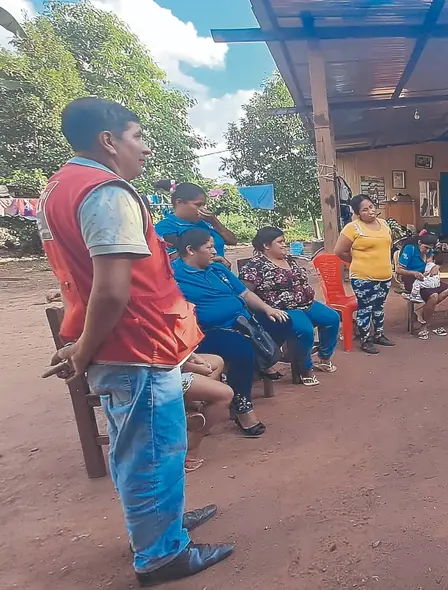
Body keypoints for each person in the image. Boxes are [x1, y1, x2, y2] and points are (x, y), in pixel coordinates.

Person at [38, 97, 232, 585]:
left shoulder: (59, 187)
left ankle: (157, 527)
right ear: (108, 141)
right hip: (136, 347)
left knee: (137, 449)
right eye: (138, 136)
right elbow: (111, 290)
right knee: (153, 452)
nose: (145, 148)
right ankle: (161, 554)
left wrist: (84, 346)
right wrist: (83, 351)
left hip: (125, 345)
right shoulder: (107, 192)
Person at [172, 229, 290, 437]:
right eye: (209, 247)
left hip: (242, 322)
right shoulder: (173, 276)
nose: (214, 251)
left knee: (281, 322)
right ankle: (242, 406)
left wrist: (268, 309)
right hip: (207, 332)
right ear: (190, 250)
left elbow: (245, 293)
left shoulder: (217, 269)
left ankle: (257, 366)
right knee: (241, 348)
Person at [240, 227, 341, 385]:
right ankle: (304, 369)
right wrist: (265, 310)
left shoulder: (289, 259)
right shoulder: (255, 266)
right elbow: (245, 293)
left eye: (284, 241)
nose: (284, 245)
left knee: (332, 318)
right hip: (284, 309)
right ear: (266, 245)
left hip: (306, 304)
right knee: (305, 330)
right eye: (280, 242)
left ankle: (324, 357)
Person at [333, 194, 395, 355]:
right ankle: (365, 340)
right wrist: (357, 260)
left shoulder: (384, 224)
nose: (370, 211)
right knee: (365, 308)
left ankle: (378, 335)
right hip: (363, 277)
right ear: (357, 213)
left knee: (379, 307)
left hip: (384, 276)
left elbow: (387, 247)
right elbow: (339, 251)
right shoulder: (352, 228)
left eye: (371, 207)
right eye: (365, 210)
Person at [154, 180, 237, 267]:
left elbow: (232, 241)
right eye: (198, 205)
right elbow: (175, 259)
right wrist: (215, 262)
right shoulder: (166, 227)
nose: (203, 209)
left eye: (204, 205)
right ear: (179, 202)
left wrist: (214, 221)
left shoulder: (204, 223)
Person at [180, 353, 233, 473]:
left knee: (217, 361)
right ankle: (191, 449)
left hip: (175, 362)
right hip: (160, 374)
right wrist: (193, 366)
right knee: (225, 395)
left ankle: (191, 406)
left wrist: (193, 357)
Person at [396, 231, 448, 340]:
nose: (427, 251)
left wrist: (436, 267)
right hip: (411, 279)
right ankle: (424, 325)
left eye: (429, 249)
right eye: (425, 248)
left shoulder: (429, 251)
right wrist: (414, 273)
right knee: (433, 296)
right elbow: (398, 270)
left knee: (446, 290)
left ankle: (420, 312)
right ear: (419, 243)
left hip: (425, 278)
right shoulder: (410, 249)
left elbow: (436, 260)